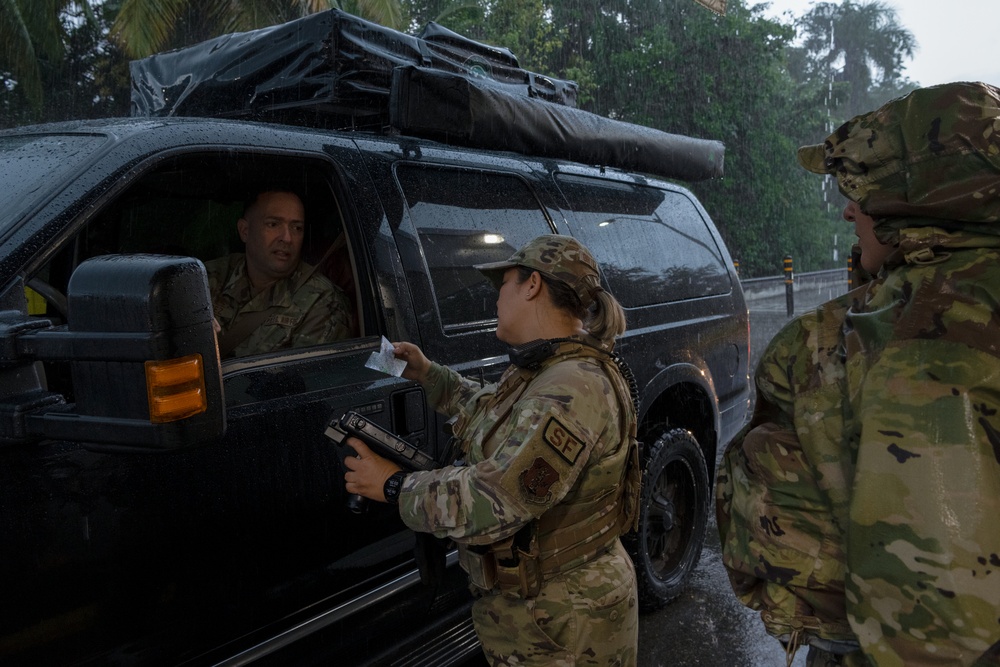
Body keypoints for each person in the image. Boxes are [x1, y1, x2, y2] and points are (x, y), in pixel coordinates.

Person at [717, 81, 1000, 667]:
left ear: (921, 197)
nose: (848, 208)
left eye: (864, 189)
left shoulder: (826, 345)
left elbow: (780, 543)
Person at [344, 234, 642, 666]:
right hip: (548, 611)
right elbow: (493, 415)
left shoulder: (570, 388)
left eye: (502, 285)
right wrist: (430, 375)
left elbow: (498, 499)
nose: (496, 300)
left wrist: (394, 486)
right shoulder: (546, 370)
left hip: (565, 622)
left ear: (532, 285)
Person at [204, 189, 352, 358]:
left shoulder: (320, 300)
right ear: (244, 231)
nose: (287, 238)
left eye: (297, 228)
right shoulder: (209, 277)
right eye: (273, 224)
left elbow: (306, 379)